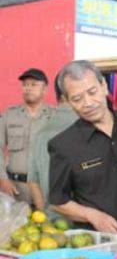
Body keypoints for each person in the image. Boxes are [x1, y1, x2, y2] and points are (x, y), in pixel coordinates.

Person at [49, 60, 117, 250]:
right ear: (67, 102)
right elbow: (58, 201)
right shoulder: (63, 145)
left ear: (104, 86)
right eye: (77, 99)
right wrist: (93, 216)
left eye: (92, 92)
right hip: (103, 245)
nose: (88, 103)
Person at [0, 68, 54, 204]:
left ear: (45, 89)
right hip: (15, 189)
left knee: (49, 225)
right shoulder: (9, 115)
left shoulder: (55, 116)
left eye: (34, 84)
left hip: (46, 189)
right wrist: (3, 179)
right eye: (25, 84)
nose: (28, 88)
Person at [27, 75, 78, 213]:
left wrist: (45, 215)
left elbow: (32, 181)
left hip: (53, 224)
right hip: (88, 224)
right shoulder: (92, 126)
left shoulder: (39, 132)